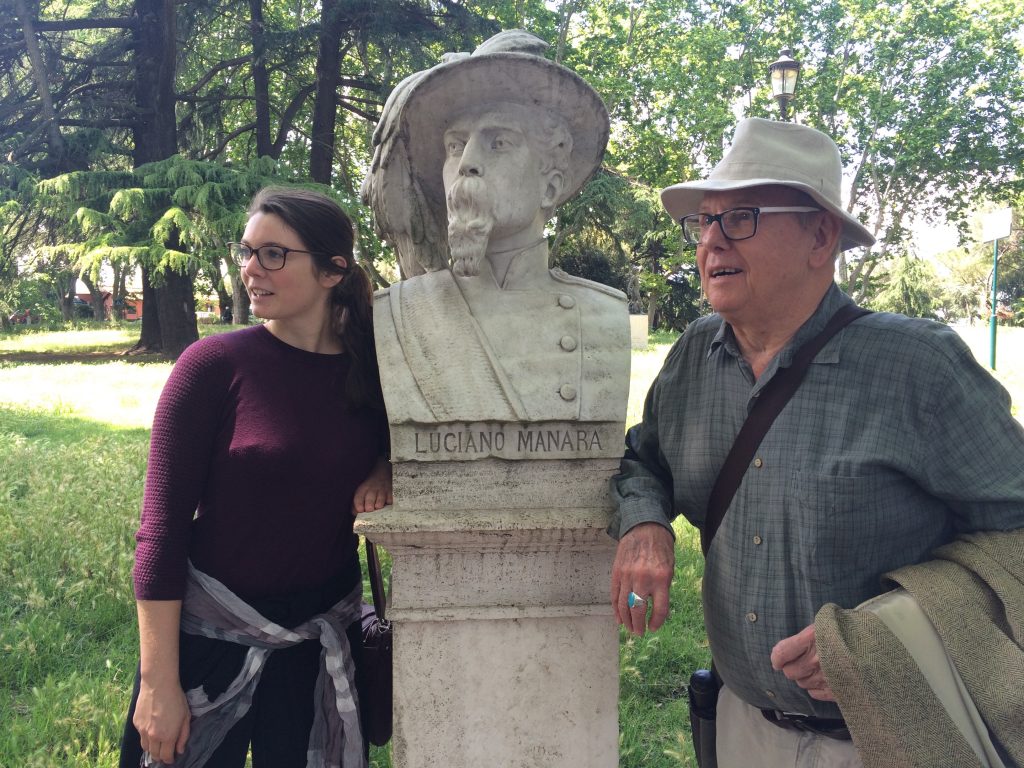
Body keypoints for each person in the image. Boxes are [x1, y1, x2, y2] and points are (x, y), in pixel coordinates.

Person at [608, 117, 1024, 768]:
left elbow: (1017, 535)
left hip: (890, 742)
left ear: (820, 237)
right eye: (704, 220)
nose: (711, 240)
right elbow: (644, 460)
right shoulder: (693, 356)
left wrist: (894, 628)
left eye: (740, 217)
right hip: (741, 724)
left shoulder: (917, 367)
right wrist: (644, 524)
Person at [119, 187, 392, 768]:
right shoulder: (212, 367)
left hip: (319, 640)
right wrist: (158, 683)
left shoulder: (375, 374)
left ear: (332, 271)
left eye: (273, 254)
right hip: (207, 639)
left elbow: (407, 442)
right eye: (246, 251)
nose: (250, 269)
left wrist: (383, 466)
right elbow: (160, 533)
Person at [365, 30, 629, 429]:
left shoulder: (603, 314)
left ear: (550, 186)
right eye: (455, 146)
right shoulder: (400, 312)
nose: (466, 163)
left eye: (499, 143)